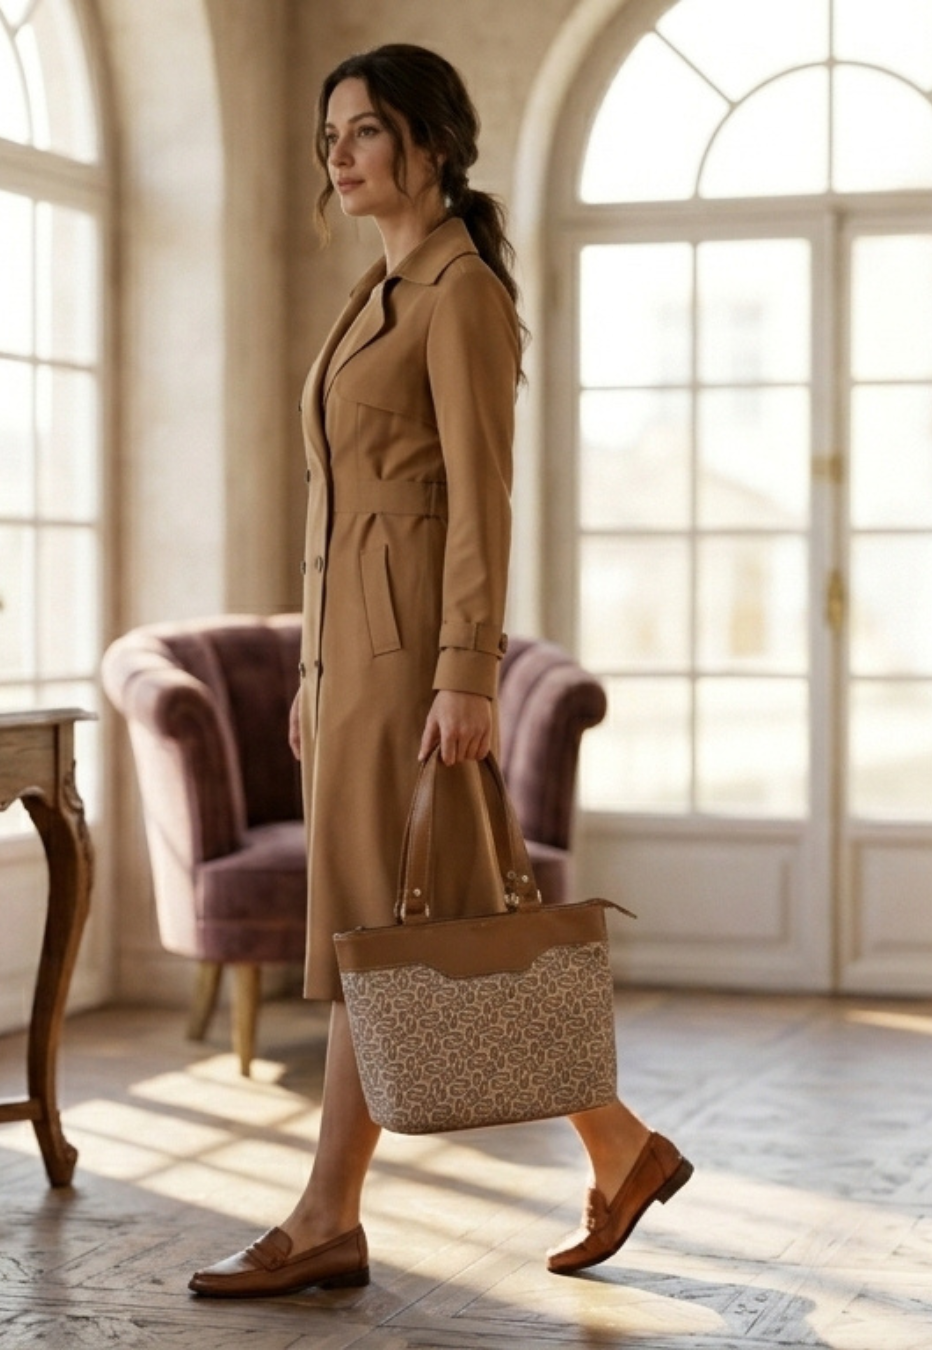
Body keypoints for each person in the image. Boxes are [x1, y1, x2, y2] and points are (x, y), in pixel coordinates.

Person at [188, 44, 691, 1299]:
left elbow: (485, 501)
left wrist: (467, 669)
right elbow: (339, 510)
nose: (340, 155)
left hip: (415, 660)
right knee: (428, 924)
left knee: (397, 928)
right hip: (355, 660)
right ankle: (613, 1148)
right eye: (329, 138)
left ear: (434, 144)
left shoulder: (460, 291)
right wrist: (312, 672)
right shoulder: (380, 291)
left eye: (362, 132)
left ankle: (324, 1218)